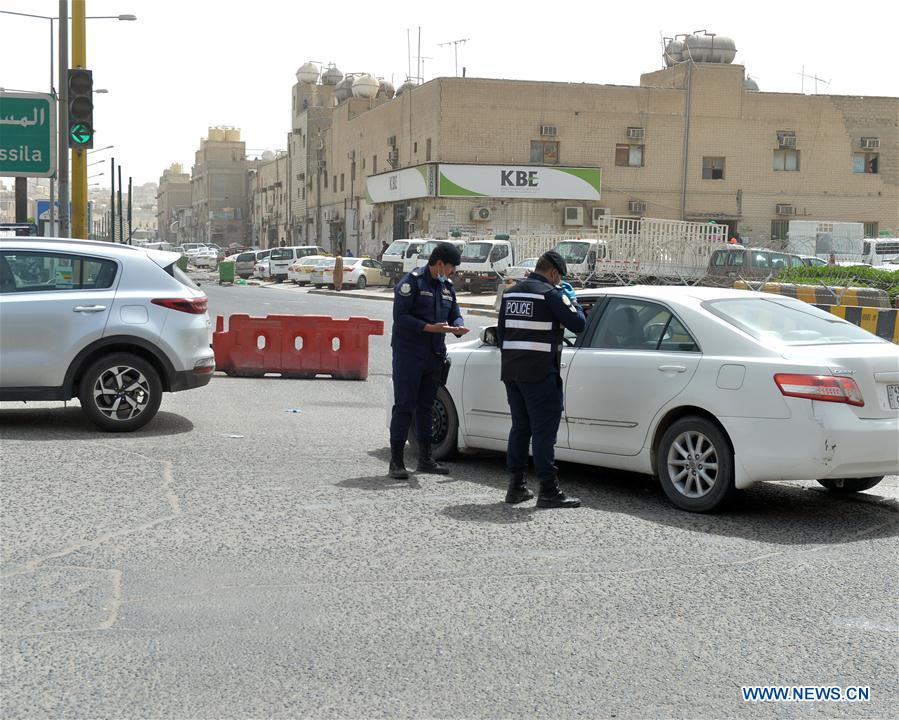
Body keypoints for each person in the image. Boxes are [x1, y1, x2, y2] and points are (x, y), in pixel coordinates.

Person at [497, 250, 586, 508]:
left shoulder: (512, 293)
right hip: (539, 374)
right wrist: (572, 299)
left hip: (512, 372)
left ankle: (515, 487)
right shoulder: (551, 295)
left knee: (520, 427)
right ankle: (548, 490)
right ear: (554, 272)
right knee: (544, 432)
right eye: (560, 279)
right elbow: (578, 324)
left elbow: (502, 332)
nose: (560, 282)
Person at [388, 243, 469, 479]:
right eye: (452, 267)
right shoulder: (411, 282)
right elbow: (400, 317)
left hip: (434, 354)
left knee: (426, 406)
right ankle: (396, 462)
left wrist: (458, 325)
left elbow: (455, 311)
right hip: (409, 353)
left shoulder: (447, 287)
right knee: (404, 405)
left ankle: (425, 459)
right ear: (440, 264)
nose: (452, 272)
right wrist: (427, 327)